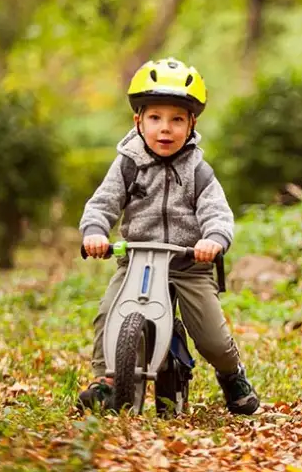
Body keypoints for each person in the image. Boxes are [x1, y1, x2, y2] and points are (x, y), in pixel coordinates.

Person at [76, 57, 259, 415]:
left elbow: (218, 213)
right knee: (108, 313)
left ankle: (231, 372)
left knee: (212, 337)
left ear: (192, 124)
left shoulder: (198, 170)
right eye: (155, 118)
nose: (165, 129)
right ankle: (107, 381)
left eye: (177, 119)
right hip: (137, 262)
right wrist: (95, 231)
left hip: (188, 264)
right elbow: (102, 204)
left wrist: (213, 240)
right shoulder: (128, 164)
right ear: (138, 121)